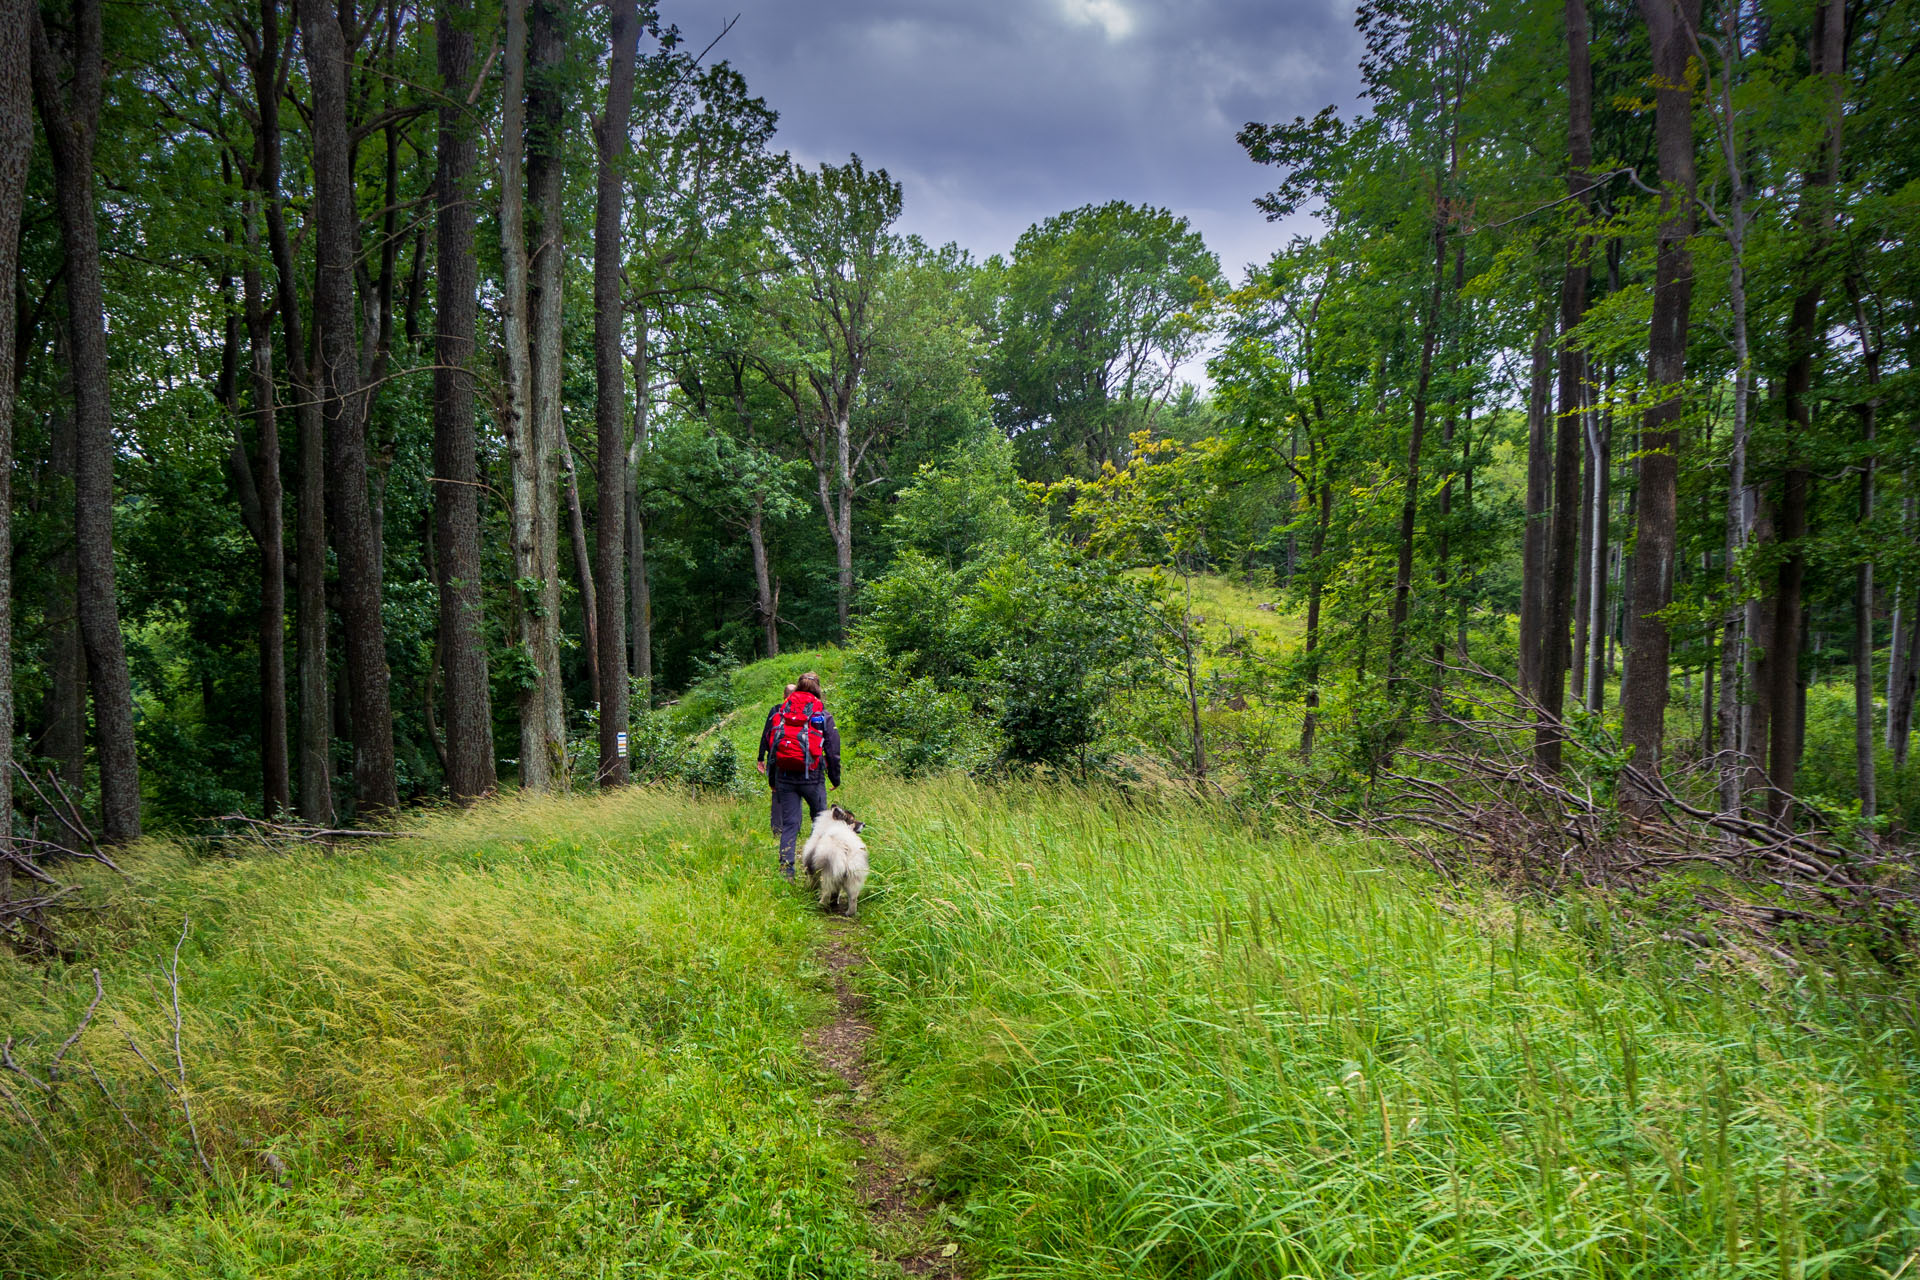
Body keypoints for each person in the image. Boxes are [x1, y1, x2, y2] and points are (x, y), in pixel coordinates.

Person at [757, 672, 841, 879]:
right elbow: (832, 749)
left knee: (790, 825)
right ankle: (816, 870)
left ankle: (786, 873)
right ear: (818, 689)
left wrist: (773, 780)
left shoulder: (782, 711)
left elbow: (772, 744)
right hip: (812, 776)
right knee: (820, 823)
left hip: (785, 776)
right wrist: (834, 778)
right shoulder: (822, 714)